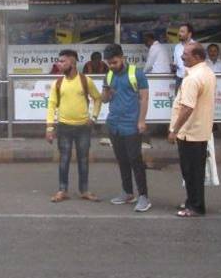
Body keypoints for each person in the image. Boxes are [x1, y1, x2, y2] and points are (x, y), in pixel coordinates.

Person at [45, 48, 101, 203]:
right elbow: (51, 105)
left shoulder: (85, 81)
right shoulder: (58, 83)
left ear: (73, 62)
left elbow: (97, 98)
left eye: (62, 61)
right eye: (59, 61)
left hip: (83, 127)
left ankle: (84, 190)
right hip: (64, 127)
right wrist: (49, 128)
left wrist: (94, 118)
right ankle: (62, 190)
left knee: (83, 160)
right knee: (64, 159)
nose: (59, 64)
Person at [168, 44, 216, 217]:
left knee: (191, 172)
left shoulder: (192, 79)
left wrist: (174, 130)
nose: (182, 58)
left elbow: (187, 108)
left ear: (196, 57)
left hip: (190, 132)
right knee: (195, 171)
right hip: (200, 130)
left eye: (185, 55)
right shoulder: (207, 72)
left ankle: (195, 206)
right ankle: (192, 201)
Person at [101, 44, 150, 212]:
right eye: (109, 63)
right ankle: (128, 193)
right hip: (114, 124)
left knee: (135, 160)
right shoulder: (108, 75)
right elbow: (105, 100)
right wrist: (106, 90)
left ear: (122, 57)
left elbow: (144, 98)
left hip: (131, 124)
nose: (112, 66)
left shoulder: (136, 73)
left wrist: (141, 121)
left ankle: (143, 196)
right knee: (122, 160)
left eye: (114, 62)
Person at [172, 23, 198, 94]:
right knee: (178, 102)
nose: (179, 33)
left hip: (192, 79)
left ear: (189, 34)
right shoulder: (177, 47)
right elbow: (175, 63)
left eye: (182, 32)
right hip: (179, 79)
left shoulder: (196, 46)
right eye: (179, 31)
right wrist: (174, 67)